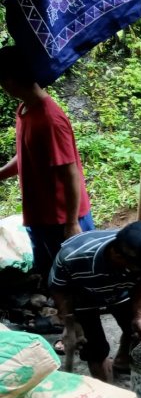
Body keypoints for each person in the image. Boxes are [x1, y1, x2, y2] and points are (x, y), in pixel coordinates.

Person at [0, 46, 94, 286]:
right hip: (40, 215)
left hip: (61, 218)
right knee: (51, 273)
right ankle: (61, 314)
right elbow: (27, 156)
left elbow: (70, 174)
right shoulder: (25, 109)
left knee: (74, 278)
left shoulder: (50, 120)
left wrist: (72, 223)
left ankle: (79, 319)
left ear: (10, 80)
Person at [49, 221, 141, 383]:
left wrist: (139, 316)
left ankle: (121, 363)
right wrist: (70, 322)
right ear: (117, 256)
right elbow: (58, 289)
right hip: (81, 295)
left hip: (119, 290)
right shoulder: (73, 258)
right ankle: (107, 389)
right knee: (95, 349)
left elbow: (140, 277)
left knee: (137, 330)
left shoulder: (136, 253)